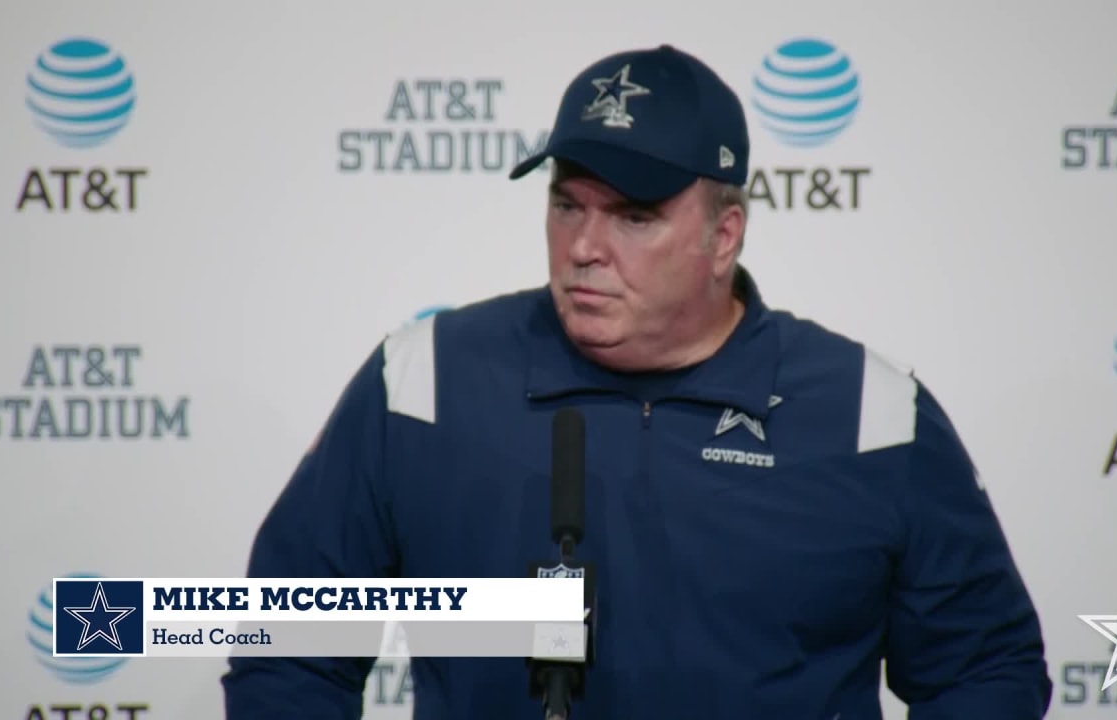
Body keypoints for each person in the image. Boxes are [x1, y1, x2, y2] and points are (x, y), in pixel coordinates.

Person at [221, 44, 1052, 719]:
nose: (585, 246)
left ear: (725, 235)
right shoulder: (423, 384)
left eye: (633, 216)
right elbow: (289, 649)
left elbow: (984, 673)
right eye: (566, 205)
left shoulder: (871, 415)